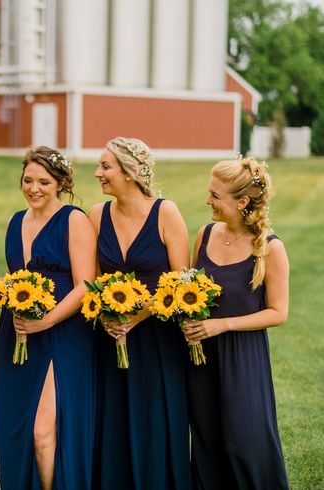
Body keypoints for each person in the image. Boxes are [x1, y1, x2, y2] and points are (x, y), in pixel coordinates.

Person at [88, 137, 191, 490]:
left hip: (157, 338)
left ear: (129, 173)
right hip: (111, 336)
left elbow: (181, 282)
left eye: (105, 167)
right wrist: (105, 315)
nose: (97, 173)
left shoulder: (166, 213)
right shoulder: (97, 215)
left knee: (155, 417)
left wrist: (139, 316)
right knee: (113, 417)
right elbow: (93, 279)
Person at [0, 146, 97, 490]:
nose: (33, 188)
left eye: (43, 182)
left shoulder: (74, 219)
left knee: (43, 432)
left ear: (60, 183)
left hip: (62, 335)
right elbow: (14, 278)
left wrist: (47, 320)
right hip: (17, 333)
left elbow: (85, 285)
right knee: (11, 426)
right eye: (27, 180)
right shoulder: (13, 221)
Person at [183, 157, 289, 489]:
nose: (208, 200)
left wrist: (222, 325)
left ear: (241, 201)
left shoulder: (269, 248)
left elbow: (278, 312)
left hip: (243, 358)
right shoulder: (205, 234)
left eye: (215, 195)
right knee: (206, 438)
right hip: (200, 359)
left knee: (246, 442)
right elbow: (189, 290)